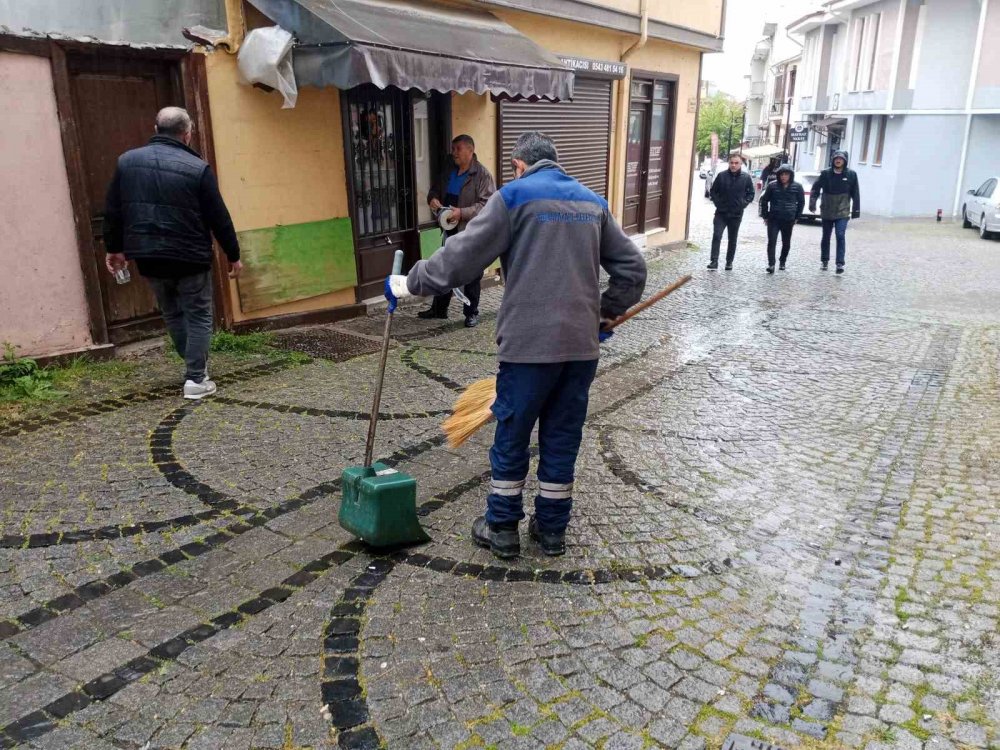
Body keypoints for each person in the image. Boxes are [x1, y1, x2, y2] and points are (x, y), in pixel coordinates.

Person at [385, 132, 646, 559]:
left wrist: (408, 281)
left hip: (527, 349)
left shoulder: (513, 198)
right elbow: (633, 269)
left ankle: (502, 527)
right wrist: (601, 314)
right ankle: (552, 531)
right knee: (562, 437)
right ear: (555, 161)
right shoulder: (592, 203)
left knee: (512, 434)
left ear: (519, 164)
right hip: (580, 351)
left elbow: (460, 258)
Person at [104, 107, 242, 400]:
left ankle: (195, 367)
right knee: (199, 314)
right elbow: (219, 216)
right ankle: (195, 377)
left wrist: (114, 249)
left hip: (149, 255)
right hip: (190, 255)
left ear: (156, 128)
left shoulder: (127, 162)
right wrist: (233, 253)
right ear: (188, 133)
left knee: (173, 313)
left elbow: (114, 210)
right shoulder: (198, 168)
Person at [419, 134, 496, 327]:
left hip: (471, 231)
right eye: (453, 149)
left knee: (471, 272)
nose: (454, 153)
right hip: (449, 229)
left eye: (458, 149)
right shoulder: (449, 170)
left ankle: (471, 313)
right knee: (444, 268)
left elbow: (486, 205)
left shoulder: (482, 175)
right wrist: (433, 200)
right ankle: (439, 309)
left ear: (470, 150)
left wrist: (461, 212)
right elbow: (434, 190)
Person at [809, 150, 861, 274]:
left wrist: (856, 210)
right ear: (833, 160)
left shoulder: (851, 175)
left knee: (840, 235)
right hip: (827, 209)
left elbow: (855, 193)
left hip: (842, 210)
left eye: (841, 159)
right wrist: (812, 203)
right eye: (836, 158)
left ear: (845, 161)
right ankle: (825, 260)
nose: (838, 160)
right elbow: (815, 189)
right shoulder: (825, 174)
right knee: (826, 236)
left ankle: (839, 263)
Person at [708, 154, 755, 270]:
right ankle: (714, 261)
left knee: (732, 238)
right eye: (732, 163)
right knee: (717, 235)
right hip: (721, 213)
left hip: (736, 214)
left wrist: (743, 204)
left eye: (736, 163)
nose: (733, 165)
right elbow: (713, 191)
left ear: (740, 164)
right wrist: (718, 203)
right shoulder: (722, 176)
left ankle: (729, 262)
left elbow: (751, 193)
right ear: (729, 163)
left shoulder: (745, 177)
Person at [759, 163, 805, 273]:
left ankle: (782, 261)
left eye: (786, 174)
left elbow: (801, 202)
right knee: (772, 241)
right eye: (782, 174)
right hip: (774, 218)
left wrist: (797, 216)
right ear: (778, 175)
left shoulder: (797, 187)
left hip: (788, 219)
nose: (783, 176)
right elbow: (764, 200)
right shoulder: (772, 185)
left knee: (786, 242)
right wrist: (765, 215)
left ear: (790, 175)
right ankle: (771, 264)